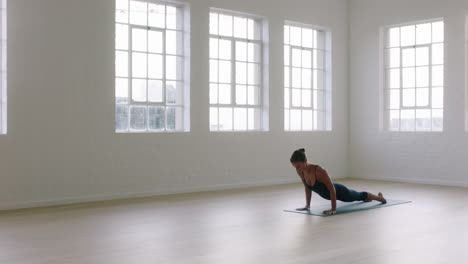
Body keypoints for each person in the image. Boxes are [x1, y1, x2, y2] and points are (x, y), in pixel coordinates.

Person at [290, 148, 386, 215]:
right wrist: (307, 206)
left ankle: (379, 198)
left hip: (339, 191)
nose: (297, 169)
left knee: (357, 195)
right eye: (295, 167)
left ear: (305, 160)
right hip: (330, 193)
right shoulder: (300, 171)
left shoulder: (318, 171)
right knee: (357, 197)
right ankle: (367, 199)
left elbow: (331, 188)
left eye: (298, 166)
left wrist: (333, 208)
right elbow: (307, 187)